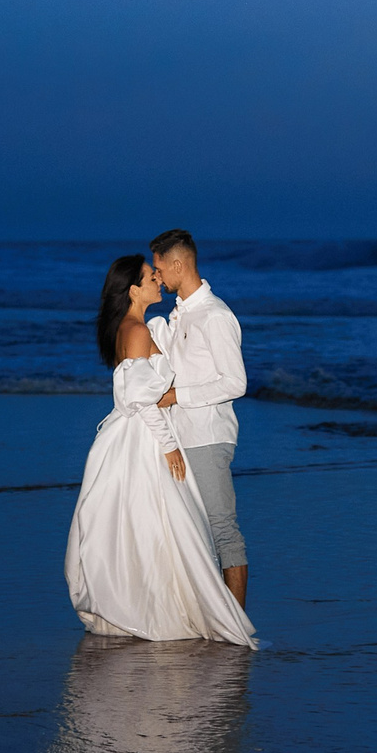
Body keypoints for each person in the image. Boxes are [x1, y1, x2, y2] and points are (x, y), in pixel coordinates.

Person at [64, 255, 257, 647]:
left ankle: (148, 603)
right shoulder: (135, 331)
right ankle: (167, 610)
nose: (157, 280)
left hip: (140, 434)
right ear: (133, 290)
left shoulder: (140, 326)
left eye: (157, 272)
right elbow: (139, 399)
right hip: (146, 437)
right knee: (162, 526)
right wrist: (169, 446)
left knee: (149, 527)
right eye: (150, 277)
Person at [144, 229, 249, 607]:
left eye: (159, 269)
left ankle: (236, 620)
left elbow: (236, 382)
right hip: (180, 435)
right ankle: (205, 612)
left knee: (222, 529)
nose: (157, 276)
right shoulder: (177, 314)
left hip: (208, 435)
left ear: (177, 265)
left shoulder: (215, 315)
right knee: (189, 532)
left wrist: (177, 397)